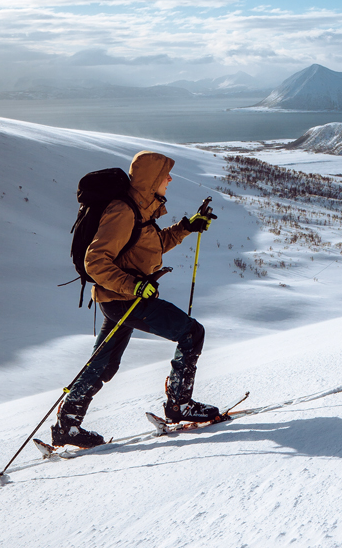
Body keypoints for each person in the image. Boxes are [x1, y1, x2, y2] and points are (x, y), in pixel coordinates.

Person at [51, 150, 218, 448]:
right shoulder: (124, 211)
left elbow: (148, 247)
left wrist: (185, 228)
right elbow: (96, 261)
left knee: (104, 364)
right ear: (151, 179)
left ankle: (67, 424)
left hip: (119, 299)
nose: (169, 179)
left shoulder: (141, 209)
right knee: (192, 333)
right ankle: (179, 404)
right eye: (164, 174)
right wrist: (135, 287)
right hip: (125, 299)